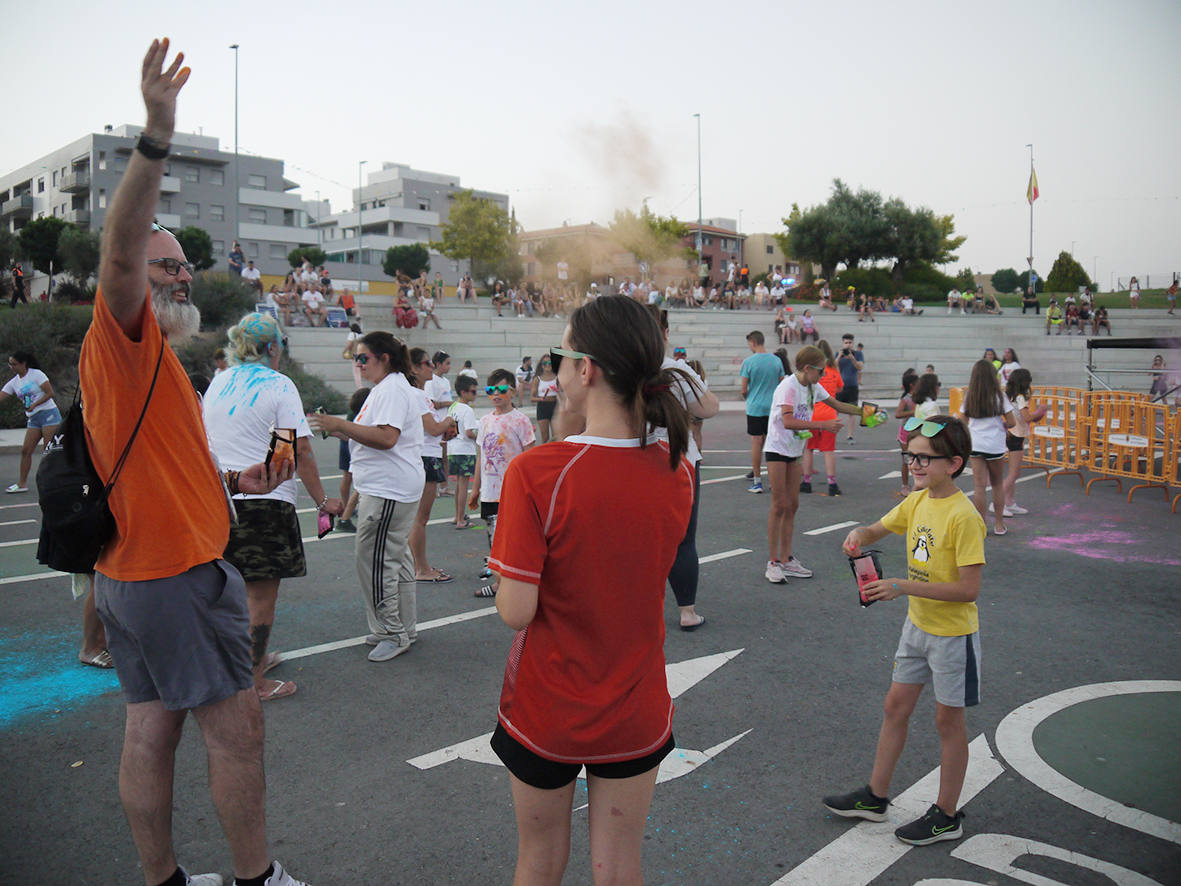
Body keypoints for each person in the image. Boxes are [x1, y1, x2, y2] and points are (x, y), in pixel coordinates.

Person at [81, 38, 307, 886]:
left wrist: (226, 483)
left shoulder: (164, 362)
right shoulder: (125, 329)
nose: (183, 277)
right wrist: (156, 136)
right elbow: (118, 254)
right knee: (235, 727)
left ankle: (165, 881)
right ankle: (256, 879)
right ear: (140, 270)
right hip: (174, 572)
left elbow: (161, 463)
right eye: (167, 264)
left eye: (185, 266)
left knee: (149, 728)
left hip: (132, 573)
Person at [488, 295, 694, 885]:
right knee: (619, 864)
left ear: (588, 370)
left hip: (548, 702)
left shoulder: (538, 471)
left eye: (560, 354)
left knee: (539, 858)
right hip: (636, 699)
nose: (553, 367)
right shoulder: (677, 468)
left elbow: (515, 610)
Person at [825, 415, 985, 848]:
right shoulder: (917, 501)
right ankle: (876, 797)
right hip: (917, 627)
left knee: (947, 722)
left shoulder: (963, 516)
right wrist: (858, 533)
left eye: (923, 458)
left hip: (953, 637)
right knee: (895, 707)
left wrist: (901, 586)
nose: (913, 464)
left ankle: (948, 814)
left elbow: (969, 590)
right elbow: (876, 528)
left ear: (953, 463)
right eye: (910, 455)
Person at [203, 312, 342, 702]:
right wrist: (321, 499)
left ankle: (246, 662)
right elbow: (295, 450)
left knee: (226, 590)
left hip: (218, 496)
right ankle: (253, 681)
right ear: (273, 348)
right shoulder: (278, 384)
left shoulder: (219, 382)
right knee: (260, 595)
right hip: (263, 500)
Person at [308, 331, 423, 662]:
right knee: (395, 559)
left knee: (374, 562)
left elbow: (387, 437)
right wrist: (340, 428)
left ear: (384, 359)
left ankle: (393, 631)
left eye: (363, 358)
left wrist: (339, 424)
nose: (358, 364)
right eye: (355, 359)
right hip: (390, 486)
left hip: (388, 489)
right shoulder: (390, 388)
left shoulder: (391, 390)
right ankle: (403, 627)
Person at [763, 345, 865, 584]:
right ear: (807, 369)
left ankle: (787, 559)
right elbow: (787, 422)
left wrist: (865, 412)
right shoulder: (788, 387)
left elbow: (838, 405)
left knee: (793, 505)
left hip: (796, 450)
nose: (823, 376)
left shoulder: (812, 386)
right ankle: (773, 562)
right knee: (779, 504)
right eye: (820, 371)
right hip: (778, 448)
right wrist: (822, 425)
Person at [649, 307, 719, 631]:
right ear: (664, 332)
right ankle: (687, 612)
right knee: (684, 539)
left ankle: (638, 607)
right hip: (679, 457)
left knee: (637, 536)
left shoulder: (622, 369)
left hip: (636, 456)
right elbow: (709, 407)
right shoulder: (675, 369)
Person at [470, 368, 536, 597]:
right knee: (494, 538)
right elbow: (481, 456)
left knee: (512, 538)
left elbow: (530, 456)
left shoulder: (520, 420)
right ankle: (500, 582)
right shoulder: (486, 421)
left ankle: (510, 583)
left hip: (513, 491)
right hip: (489, 492)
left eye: (501, 389)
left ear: (512, 391)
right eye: (491, 390)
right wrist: (475, 488)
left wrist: (530, 488)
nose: (495, 394)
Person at [957, 360, 1016, 536]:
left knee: (979, 486)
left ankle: (980, 526)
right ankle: (999, 525)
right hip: (995, 445)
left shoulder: (970, 396)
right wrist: (1001, 427)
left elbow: (962, 420)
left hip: (975, 444)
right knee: (997, 484)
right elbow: (1012, 422)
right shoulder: (1000, 396)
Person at [2, 350, 62, 493]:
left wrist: (35, 404)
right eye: (10, 364)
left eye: (14, 364)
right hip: (34, 419)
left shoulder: (36, 375)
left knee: (48, 451)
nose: (12, 367)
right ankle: (22, 484)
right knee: (25, 450)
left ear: (23, 364)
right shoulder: (14, 382)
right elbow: (2, 395)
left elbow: (50, 393)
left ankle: (53, 483)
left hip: (49, 415)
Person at [740, 330, 785, 493]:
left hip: (755, 407)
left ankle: (757, 481)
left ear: (752, 342)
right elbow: (782, 382)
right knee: (772, 443)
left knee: (756, 442)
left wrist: (748, 396)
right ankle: (774, 480)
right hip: (772, 406)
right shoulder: (776, 360)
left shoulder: (749, 362)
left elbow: (744, 389)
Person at [801, 340, 844, 497]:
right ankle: (832, 483)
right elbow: (840, 387)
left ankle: (806, 481)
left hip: (813, 413)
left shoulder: (813, 371)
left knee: (809, 449)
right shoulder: (833, 369)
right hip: (830, 413)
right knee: (828, 451)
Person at [1000, 368, 1043, 517]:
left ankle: (1009, 502)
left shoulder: (1009, 396)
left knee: (1014, 473)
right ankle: (998, 503)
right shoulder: (1020, 397)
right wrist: (1041, 411)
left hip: (1012, 434)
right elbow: (1028, 418)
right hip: (1016, 435)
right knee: (1013, 473)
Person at [333, 387, 369, 534]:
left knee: (350, 478)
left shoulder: (354, 412)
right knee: (358, 481)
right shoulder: (361, 415)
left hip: (349, 446)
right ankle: (346, 514)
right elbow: (350, 434)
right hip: (353, 447)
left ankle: (347, 512)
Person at [447, 376, 480, 528]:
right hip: (465, 449)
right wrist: (479, 437)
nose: (475, 394)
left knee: (459, 486)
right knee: (463, 485)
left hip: (453, 448)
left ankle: (457, 516)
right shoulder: (467, 410)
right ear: (463, 392)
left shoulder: (453, 407)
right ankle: (461, 519)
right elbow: (469, 432)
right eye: (472, 392)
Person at [836, 334, 864, 444]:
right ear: (843, 343)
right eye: (846, 343)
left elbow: (860, 367)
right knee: (835, 411)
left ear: (853, 343)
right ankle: (831, 433)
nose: (848, 345)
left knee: (851, 412)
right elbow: (832, 366)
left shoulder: (858, 354)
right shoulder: (839, 354)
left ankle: (850, 436)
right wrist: (839, 356)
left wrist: (852, 357)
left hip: (852, 387)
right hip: (840, 387)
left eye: (850, 343)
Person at [530, 352, 559, 444]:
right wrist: (541, 399)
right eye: (544, 363)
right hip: (542, 407)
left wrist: (558, 392)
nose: (547, 365)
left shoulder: (558, 377)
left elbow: (564, 393)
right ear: (541, 366)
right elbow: (532, 398)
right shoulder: (537, 379)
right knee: (545, 437)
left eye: (549, 363)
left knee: (556, 436)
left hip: (556, 406)